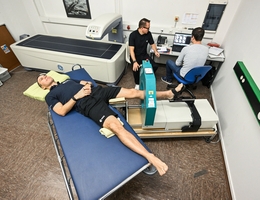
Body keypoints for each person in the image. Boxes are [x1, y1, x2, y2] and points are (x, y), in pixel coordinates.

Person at [37, 73, 185, 176]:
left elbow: (85, 83)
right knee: (116, 127)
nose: (45, 77)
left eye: (45, 75)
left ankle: (169, 94)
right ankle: (150, 156)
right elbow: (61, 111)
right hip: (86, 103)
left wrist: (87, 86)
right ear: (43, 87)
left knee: (134, 92)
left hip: (98, 92)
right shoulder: (50, 95)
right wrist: (78, 96)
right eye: (42, 79)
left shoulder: (68, 80)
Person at [129, 18, 160, 90]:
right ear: (142, 28)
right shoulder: (133, 35)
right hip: (135, 56)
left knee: (155, 66)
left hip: (144, 55)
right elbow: (131, 50)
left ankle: (146, 76)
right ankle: (137, 83)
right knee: (136, 68)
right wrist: (134, 61)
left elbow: (152, 44)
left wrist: (156, 51)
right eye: (147, 28)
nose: (148, 30)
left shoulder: (148, 34)